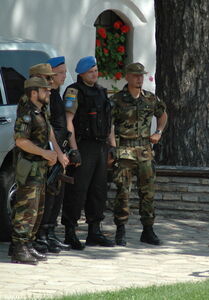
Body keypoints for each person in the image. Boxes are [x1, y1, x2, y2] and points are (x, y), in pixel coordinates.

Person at [109, 62, 168, 246]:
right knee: (122, 192)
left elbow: (163, 113)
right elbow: (109, 125)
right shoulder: (117, 100)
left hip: (144, 150)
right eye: (135, 75)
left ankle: (148, 230)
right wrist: (113, 148)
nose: (139, 78)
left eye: (141, 75)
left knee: (148, 192)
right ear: (127, 76)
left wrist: (158, 132)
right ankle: (120, 229)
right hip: (125, 150)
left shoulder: (150, 99)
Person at [61, 56, 114, 250]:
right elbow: (69, 121)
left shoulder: (101, 91)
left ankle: (95, 231)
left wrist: (112, 146)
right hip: (83, 146)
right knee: (78, 190)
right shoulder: (74, 91)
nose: (95, 74)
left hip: (100, 146)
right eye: (91, 71)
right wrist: (74, 149)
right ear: (81, 73)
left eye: (96, 70)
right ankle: (70, 232)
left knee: (98, 190)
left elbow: (109, 122)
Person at [11, 77, 60, 265]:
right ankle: (19, 249)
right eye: (45, 90)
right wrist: (44, 153)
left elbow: (47, 135)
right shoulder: (27, 114)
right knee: (26, 209)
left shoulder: (41, 111)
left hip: (39, 168)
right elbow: (20, 140)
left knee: (37, 210)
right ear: (34, 93)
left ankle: (28, 245)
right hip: (29, 167)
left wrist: (52, 154)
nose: (49, 92)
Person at [34, 57, 71, 253]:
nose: (64, 76)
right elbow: (48, 128)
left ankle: (50, 233)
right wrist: (55, 152)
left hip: (59, 150)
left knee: (57, 195)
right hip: (50, 151)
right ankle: (41, 235)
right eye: (61, 72)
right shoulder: (46, 96)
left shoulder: (55, 95)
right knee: (48, 195)